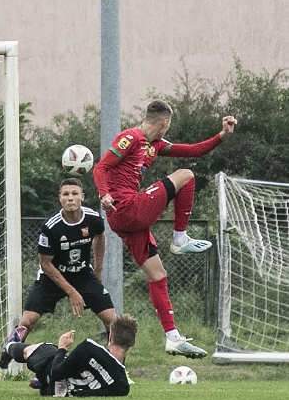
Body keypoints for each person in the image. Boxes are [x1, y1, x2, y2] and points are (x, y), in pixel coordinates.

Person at [94, 100, 238, 359]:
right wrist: (104, 193)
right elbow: (100, 167)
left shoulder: (156, 145)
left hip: (128, 221)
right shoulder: (131, 137)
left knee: (157, 276)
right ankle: (180, 238)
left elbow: (194, 150)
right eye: (168, 125)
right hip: (126, 208)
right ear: (164, 122)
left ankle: (173, 338)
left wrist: (222, 136)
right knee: (186, 175)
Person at [0, 178, 115, 382]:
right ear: (60, 198)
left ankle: (117, 369)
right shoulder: (51, 226)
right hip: (51, 278)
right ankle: (0, 369)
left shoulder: (93, 218)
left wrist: (97, 270)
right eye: (66, 194)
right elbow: (45, 263)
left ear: (82, 196)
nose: (70, 198)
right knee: (26, 322)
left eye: (74, 193)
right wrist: (71, 292)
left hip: (83, 275)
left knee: (113, 322)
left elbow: (100, 237)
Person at [2, 313, 137, 397]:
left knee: (35, 350)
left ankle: (10, 344)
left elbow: (56, 373)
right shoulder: (122, 386)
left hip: (50, 372)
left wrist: (62, 348)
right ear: (133, 342)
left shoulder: (89, 347)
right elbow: (87, 392)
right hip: (54, 390)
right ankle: (41, 382)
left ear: (111, 337)